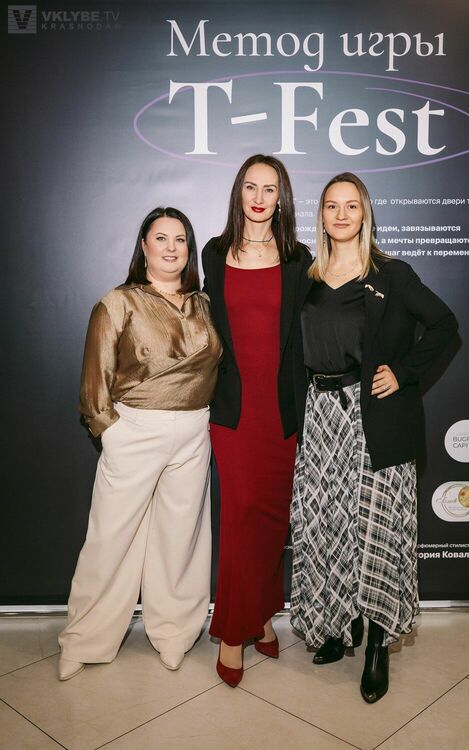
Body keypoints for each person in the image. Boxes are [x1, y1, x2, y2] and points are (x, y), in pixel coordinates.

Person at [290, 172, 458, 703]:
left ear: (365, 213)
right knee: (329, 523)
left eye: (351, 205)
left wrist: (403, 373)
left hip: (375, 421)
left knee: (377, 531)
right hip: (321, 417)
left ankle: (379, 643)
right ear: (321, 216)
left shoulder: (392, 274)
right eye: (331, 206)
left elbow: (445, 325)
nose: (341, 214)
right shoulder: (307, 276)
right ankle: (339, 626)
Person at [58, 207, 222, 680]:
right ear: (144, 247)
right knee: (110, 539)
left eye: (180, 239)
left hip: (194, 431)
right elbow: (95, 379)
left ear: (189, 249)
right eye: (161, 238)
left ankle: (174, 634)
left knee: (180, 540)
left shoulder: (205, 304)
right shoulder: (118, 303)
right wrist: (113, 433)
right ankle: (85, 639)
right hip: (134, 430)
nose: (171, 247)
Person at [202, 154, 311, 687]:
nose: (260, 198)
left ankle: (264, 613)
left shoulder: (298, 259)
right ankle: (232, 631)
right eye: (251, 187)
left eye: (270, 189)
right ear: (238, 193)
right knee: (240, 514)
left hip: (282, 408)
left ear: (281, 198)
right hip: (232, 408)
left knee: (271, 517)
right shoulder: (214, 253)